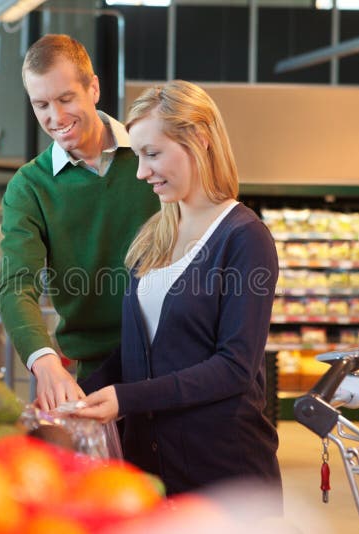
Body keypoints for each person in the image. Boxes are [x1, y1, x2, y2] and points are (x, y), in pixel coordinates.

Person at [76, 80, 282, 503]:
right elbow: (141, 348)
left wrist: (126, 398)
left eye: (152, 154)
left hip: (223, 476)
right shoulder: (154, 236)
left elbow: (234, 367)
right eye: (138, 156)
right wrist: (77, 394)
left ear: (200, 140)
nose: (141, 171)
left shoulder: (244, 237)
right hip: (147, 472)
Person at [0, 34, 160, 411]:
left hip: (172, 362)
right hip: (93, 374)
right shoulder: (30, 187)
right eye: (42, 105)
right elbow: (15, 283)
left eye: (66, 98)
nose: (56, 117)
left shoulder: (150, 153)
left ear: (94, 88)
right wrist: (44, 361)